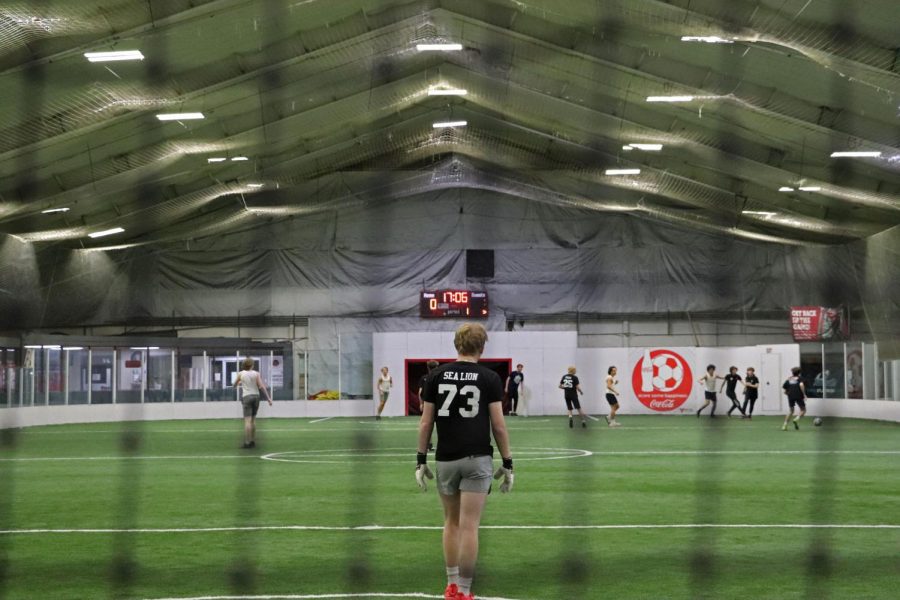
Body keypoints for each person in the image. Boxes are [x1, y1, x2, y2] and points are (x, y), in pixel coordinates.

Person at [416, 323, 513, 600]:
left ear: (456, 344)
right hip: (477, 458)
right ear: (482, 347)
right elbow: (499, 425)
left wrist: (420, 460)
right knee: (470, 526)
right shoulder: (489, 378)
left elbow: (425, 423)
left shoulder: (435, 376)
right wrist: (508, 462)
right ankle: (465, 591)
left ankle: (451, 585)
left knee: (451, 523)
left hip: (446, 458)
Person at [234, 358, 272, 449]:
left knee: (247, 421)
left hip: (246, 397)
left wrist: (239, 382)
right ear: (252, 365)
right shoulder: (256, 373)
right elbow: (261, 386)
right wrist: (268, 398)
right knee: (253, 420)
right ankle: (252, 441)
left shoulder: (241, 374)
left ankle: (247, 442)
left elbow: (234, 385)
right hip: (256, 397)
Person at [418, 360, 439, 451]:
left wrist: (421, 403)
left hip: (428, 404)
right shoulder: (439, 377)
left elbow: (420, 392)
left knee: (426, 424)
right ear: (437, 367)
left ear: (428, 367)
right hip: (439, 404)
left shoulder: (425, 378)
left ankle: (427, 445)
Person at [782, 366, 807, 431]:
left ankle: (784, 425)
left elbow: (784, 389)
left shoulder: (789, 379)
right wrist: (804, 394)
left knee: (791, 411)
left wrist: (789, 394)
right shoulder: (800, 378)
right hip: (798, 395)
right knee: (803, 410)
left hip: (790, 396)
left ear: (792, 372)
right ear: (799, 373)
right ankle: (796, 419)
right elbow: (801, 385)